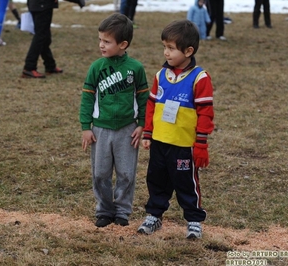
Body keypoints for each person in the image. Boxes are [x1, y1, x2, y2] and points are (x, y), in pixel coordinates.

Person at [137, 19, 214, 239]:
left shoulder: (200, 78)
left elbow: (206, 112)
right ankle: (154, 216)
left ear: (188, 51)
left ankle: (193, 220)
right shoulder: (160, 75)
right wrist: (148, 133)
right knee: (156, 180)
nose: (166, 52)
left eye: (171, 48)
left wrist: (201, 143)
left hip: (183, 144)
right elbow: (151, 105)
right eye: (164, 47)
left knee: (186, 184)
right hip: (160, 141)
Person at [79, 13, 149, 228]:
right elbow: (87, 97)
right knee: (100, 173)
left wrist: (142, 124)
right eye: (100, 40)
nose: (101, 45)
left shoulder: (135, 68)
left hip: (128, 130)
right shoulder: (96, 67)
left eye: (107, 41)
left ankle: (122, 211)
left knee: (126, 173)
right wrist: (85, 127)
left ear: (123, 44)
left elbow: (144, 97)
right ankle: (104, 210)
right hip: (100, 130)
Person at [21, 0, 64, 78]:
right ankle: (29, 67)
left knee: (45, 36)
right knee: (40, 36)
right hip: (42, 4)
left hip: (39, 4)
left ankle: (50, 65)